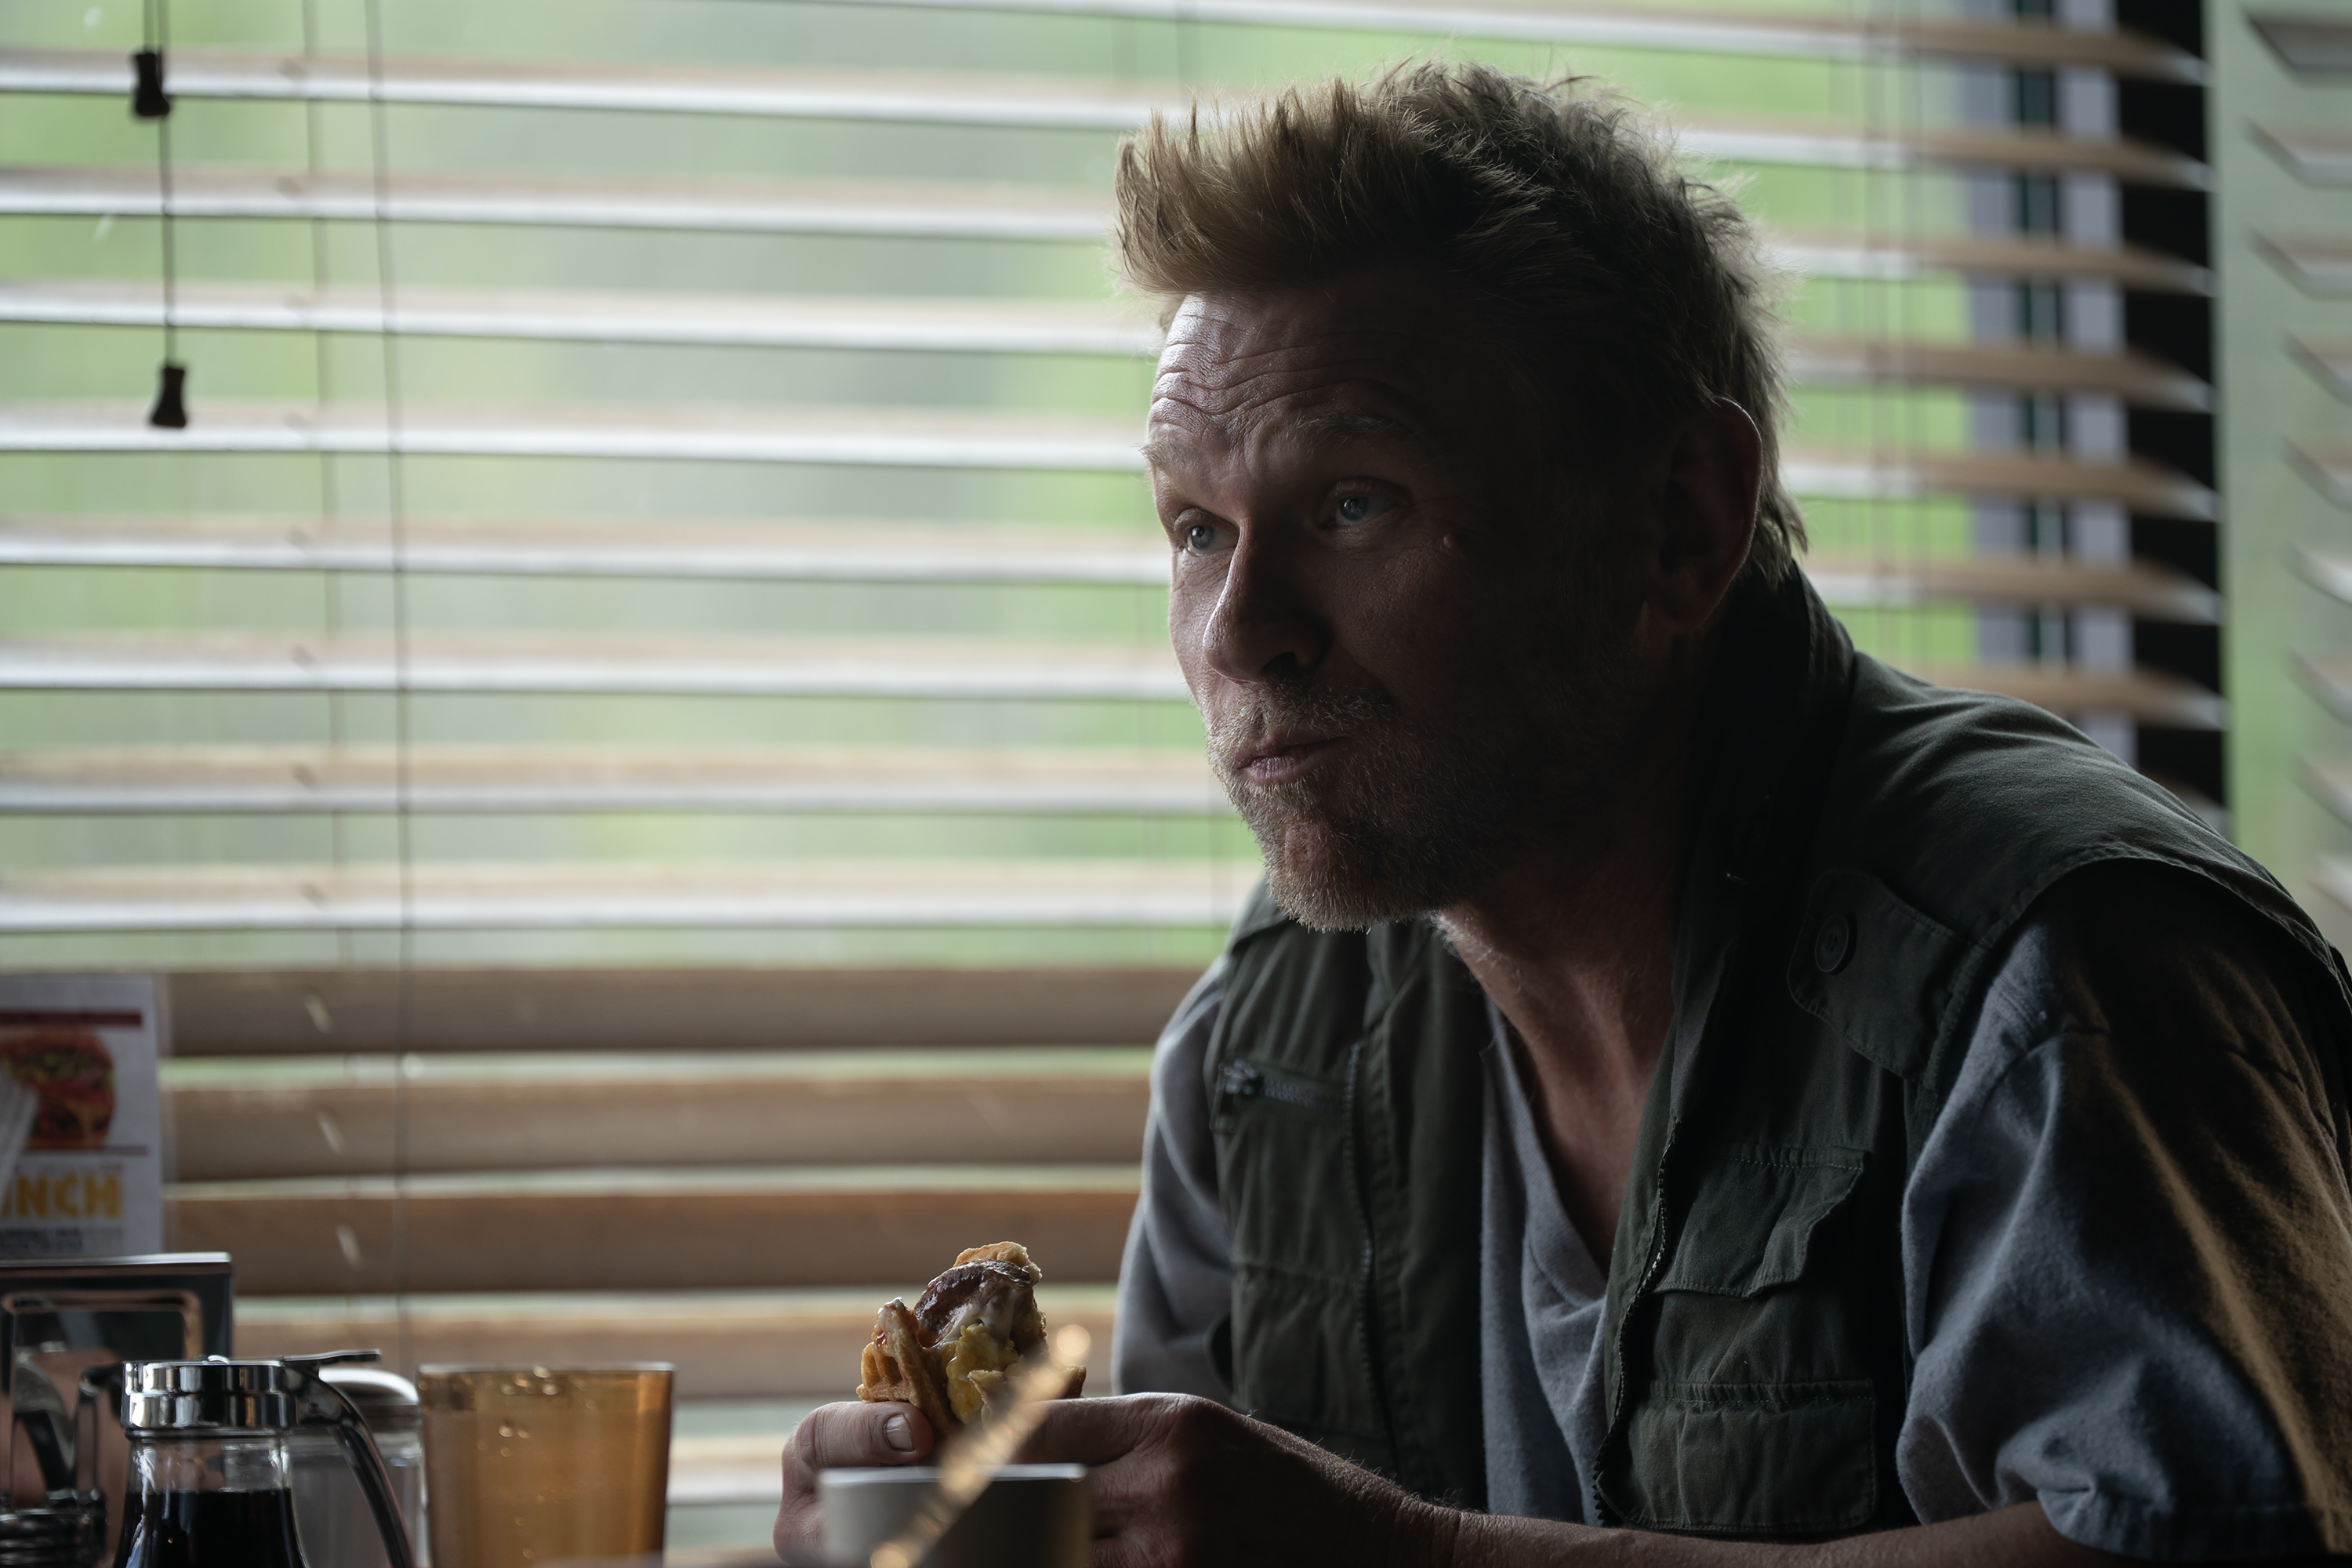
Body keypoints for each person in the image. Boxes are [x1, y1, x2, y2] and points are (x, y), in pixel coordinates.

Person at [778, 60, 2352, 1565]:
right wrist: (974, 1527)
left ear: (1677, 526)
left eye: (1350, 503)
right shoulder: (1267, 1042)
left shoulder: (2059, 983)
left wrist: (1417, 1563)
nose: (1244, 628)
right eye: (1197, 528)